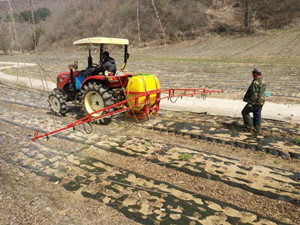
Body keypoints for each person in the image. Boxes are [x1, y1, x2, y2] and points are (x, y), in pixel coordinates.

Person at [241, 68, 266, 135]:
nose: (252, 75)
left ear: (255, 74)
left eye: (253, 74)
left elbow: (254, 94)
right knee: (257, 115)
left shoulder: (255, 82)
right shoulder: (263, 81)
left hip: (255, 102)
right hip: (261, 101)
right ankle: (258, 130)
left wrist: (250, 102)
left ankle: (250, 127)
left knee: (244, 112)